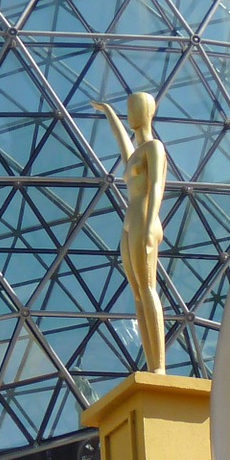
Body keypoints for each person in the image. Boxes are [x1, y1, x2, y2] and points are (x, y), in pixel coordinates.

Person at [93, 92, 168, 374]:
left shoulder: (154, 147)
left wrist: (150, 224)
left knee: (148, 288)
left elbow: (158, 184)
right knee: (137, 291)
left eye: (135, 108)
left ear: (148, 112)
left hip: (144, 218)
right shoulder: (135, 153)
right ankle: (151, 364)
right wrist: (109, 112)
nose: (130, 113)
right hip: (130, 220)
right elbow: (121, 139)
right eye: (128, 109)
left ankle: (159, 367)